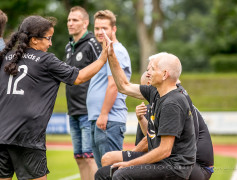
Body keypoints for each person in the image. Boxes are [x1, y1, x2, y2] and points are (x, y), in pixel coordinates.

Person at [0, 15, 110, 180]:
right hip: (26, 135)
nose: (50, 43)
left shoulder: (6, 57)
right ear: (35, 40)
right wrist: (103, 58)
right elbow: (79, 77)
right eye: (48, 38)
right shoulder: (46, 60)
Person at [95, 46, 196, 179]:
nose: (148, 73)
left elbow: (164, 151)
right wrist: (112, 55)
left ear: (165, 74)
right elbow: (124, 86)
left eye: (152, 69)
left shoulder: (172, 103)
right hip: (161, 161)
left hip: (174, 167)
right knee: (103, 174)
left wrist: (129, 163)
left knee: (120, 175)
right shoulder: (156, 92)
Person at [86, 10, 132, 168]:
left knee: (111, 172)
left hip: (108, 121)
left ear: (114, 29)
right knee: (103, 172)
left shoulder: (116, 50)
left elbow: (114, 85)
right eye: (97, 28)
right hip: (100, 120)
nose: (100, 32)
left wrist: (104, 114)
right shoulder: (105, 51)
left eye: (104, 28)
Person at [65, 6, 100, 180]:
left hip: (89, 111)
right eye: (69, 20)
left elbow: (103, 72)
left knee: (89, 158)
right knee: (79, 158)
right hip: (73, 111)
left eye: (75, 20)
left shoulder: (93, 43)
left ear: (85, 23)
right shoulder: (68, 46)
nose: (70, 23)